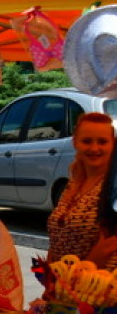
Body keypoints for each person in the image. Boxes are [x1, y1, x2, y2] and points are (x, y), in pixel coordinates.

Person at [48, 112, 117, 271]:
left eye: (102, 142)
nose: (94, 148)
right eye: (86, 141)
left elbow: (109, 245)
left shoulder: (113, 186)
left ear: (113, 144)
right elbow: (58, 238)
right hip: (64, 288)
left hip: (99, 289)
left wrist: (73, 278)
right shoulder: (74, 183)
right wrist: (51, 278)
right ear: (75, 142)